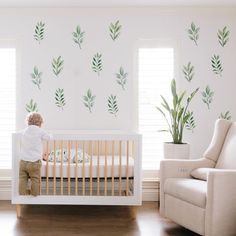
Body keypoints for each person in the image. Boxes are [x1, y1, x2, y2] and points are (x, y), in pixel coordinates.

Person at [19, 112, 52, 196]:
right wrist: (51, 135)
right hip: (34, 161)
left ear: (28, 122)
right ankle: (34, 194)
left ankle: (22, 193)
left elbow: (18, 135)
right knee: (35, 178)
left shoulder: (24, 131)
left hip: (23, 161)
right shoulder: (40, 131)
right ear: (40, 123)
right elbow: (48, 138)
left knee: (23, 178)